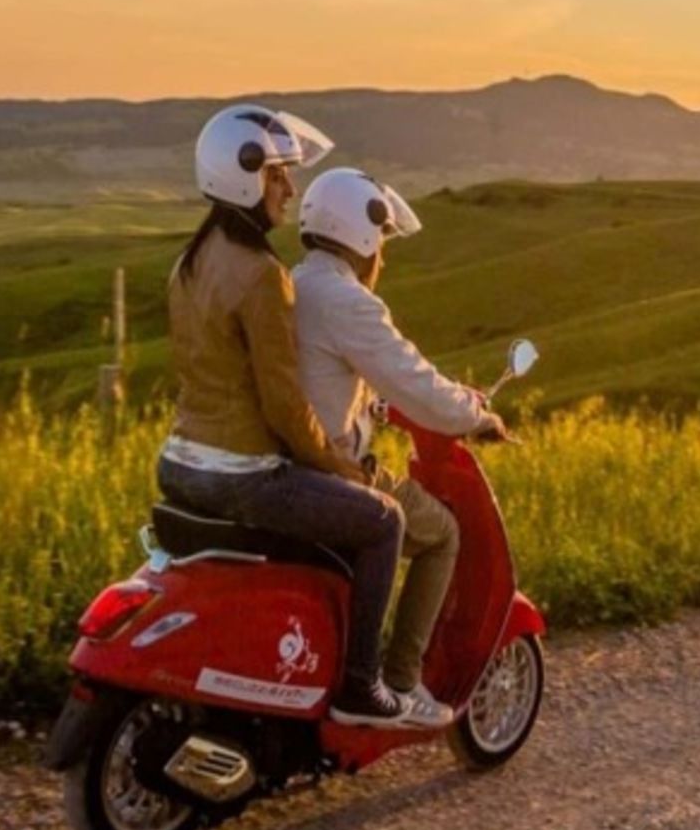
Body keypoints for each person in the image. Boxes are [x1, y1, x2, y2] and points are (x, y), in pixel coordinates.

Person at [155, 106, 410, 728]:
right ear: (245, 179)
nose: (289, 191)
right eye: (277, 177)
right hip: (243, 475)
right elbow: (285, 408)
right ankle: (359, 684)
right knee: (384, 522)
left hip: (178, 465)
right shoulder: (264, 277)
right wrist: (346, 467)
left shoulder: (187, 265)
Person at [291, 168, 507, 729]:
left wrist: (375, 409)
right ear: (363, 239)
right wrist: (477, 415)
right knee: (441, 533)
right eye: (383, 241)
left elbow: (325, 378)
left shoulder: (293, 286)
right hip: (336, 472)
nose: (383, 255)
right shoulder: (350, 301)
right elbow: (415, 379)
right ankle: (402, 683)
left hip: (290, 464)